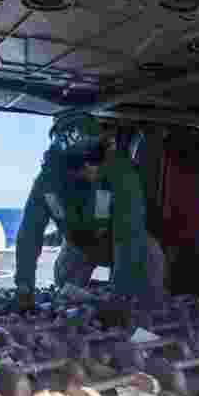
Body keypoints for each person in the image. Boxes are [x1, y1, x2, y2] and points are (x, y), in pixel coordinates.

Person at [14, 116, 166, 309]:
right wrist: (24, 288)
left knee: (148, 270)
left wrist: (119, 297)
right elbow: (29, 234)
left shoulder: (121, 174)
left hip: (126, 243)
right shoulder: (47, 182)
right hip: (78, 245)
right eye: (82, 161)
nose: (91, 166)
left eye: (96, 156)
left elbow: (128, 237)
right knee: (66, 300)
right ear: (64, 162)